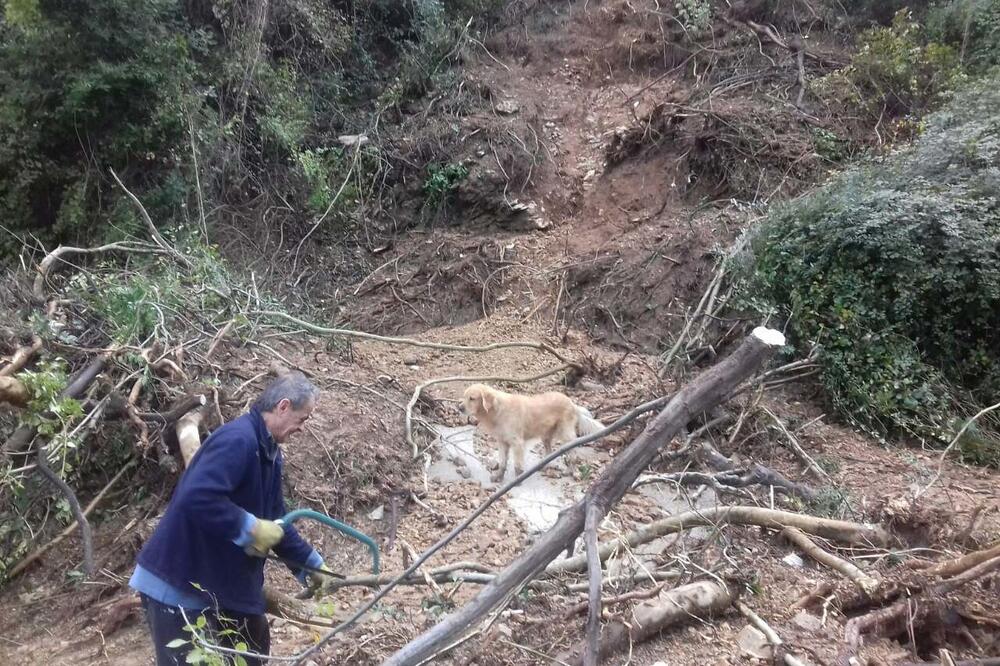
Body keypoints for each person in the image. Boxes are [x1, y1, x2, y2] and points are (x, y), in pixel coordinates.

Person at [129, 372, 335, 665]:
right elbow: (196, 497)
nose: (302, 428)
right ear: (283, 406)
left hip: (223, 587)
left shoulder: (270, 454)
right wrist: (248, 528)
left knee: (253, 651)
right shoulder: (237, 440)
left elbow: (276, 521)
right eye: (302, 419)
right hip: (177, 584)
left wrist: (310, 565)